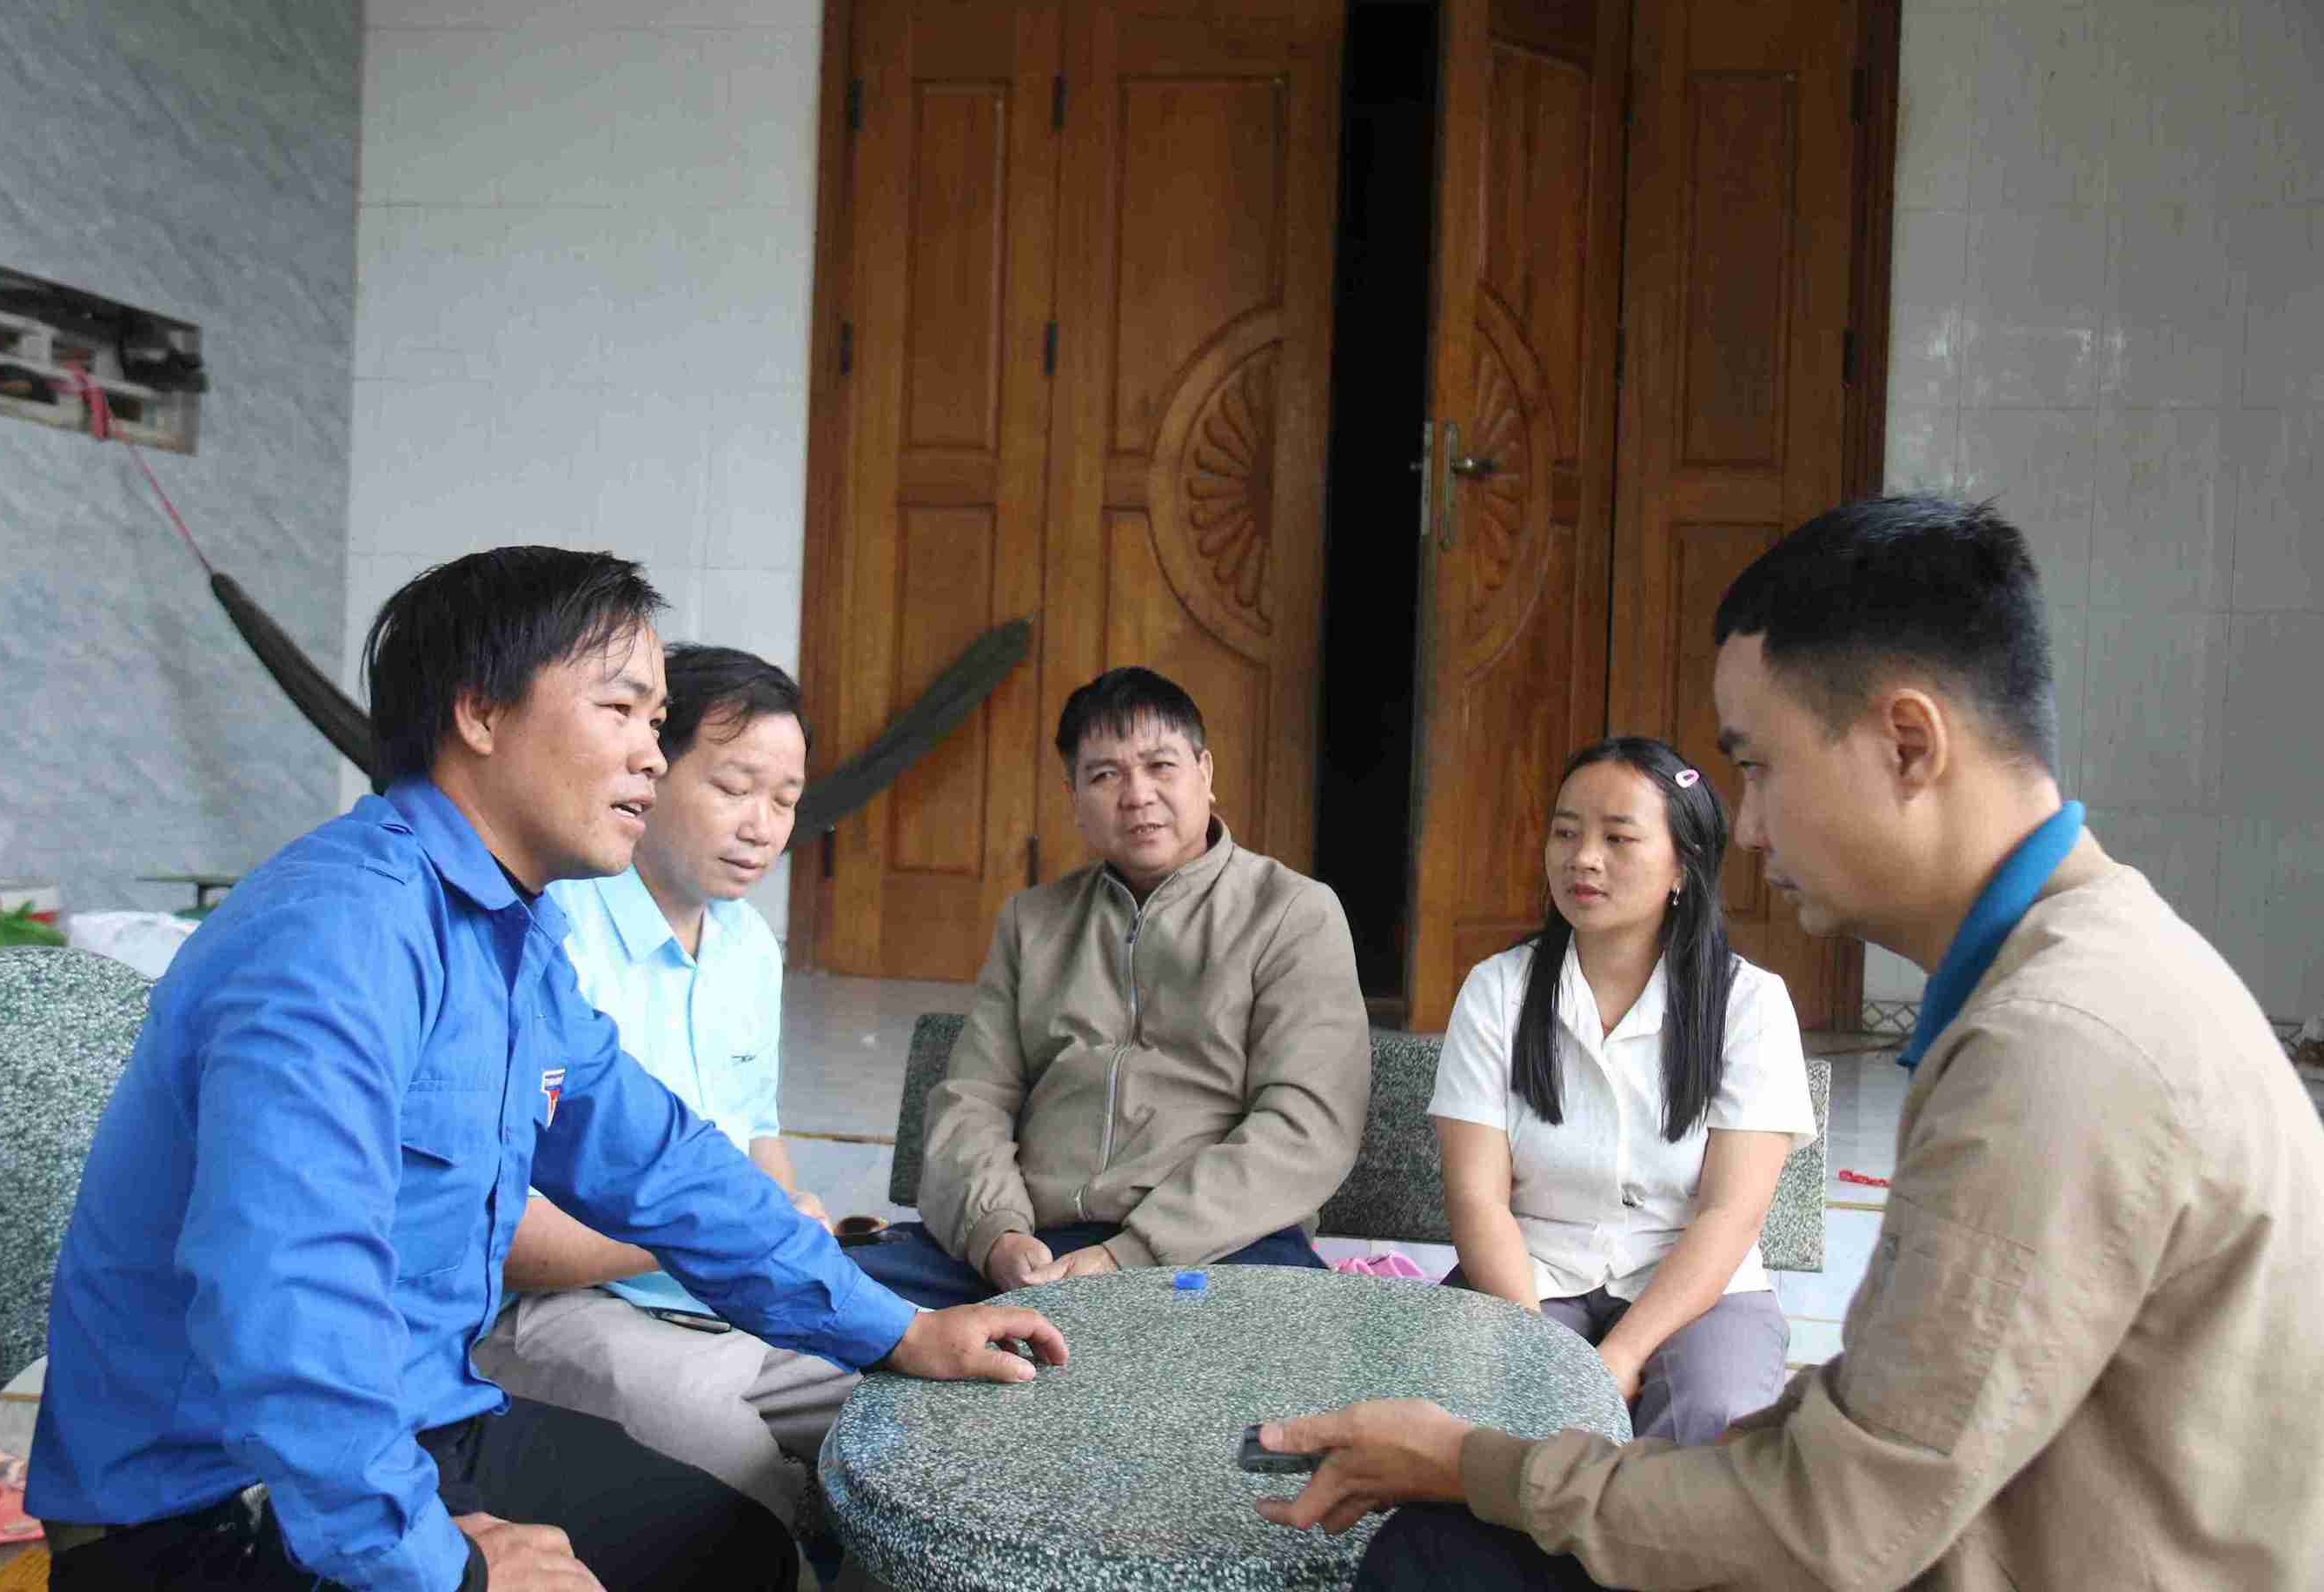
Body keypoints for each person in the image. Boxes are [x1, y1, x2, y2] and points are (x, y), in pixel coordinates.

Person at [1254, 496, 2324, 1589]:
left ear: (1908, 743)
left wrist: (1477, 1462)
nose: (1749, 829)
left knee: (1439, 1555)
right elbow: (1887, 1441)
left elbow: (1833, 1522)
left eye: (1758, 767)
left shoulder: (2055, 1047)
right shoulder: (2093, 964)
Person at [28, 548, 1066, 1592]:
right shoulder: (337, 935)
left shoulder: (507, 937)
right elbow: (290, 1306)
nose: (650, 757)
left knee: (737, 1550)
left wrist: (899, 1328)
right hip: (218, 1501)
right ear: (480, 712)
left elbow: (663, 1164)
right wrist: (452, 1568)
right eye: (620, 708)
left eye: (657, 724)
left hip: (411, 1419)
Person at [469, 646, 850, 1531]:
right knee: (730, 1456)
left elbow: (759, 1130)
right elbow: (510, 1230)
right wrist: (710, 1226)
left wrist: (783, 1207)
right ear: (650, 768)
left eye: (785, 800)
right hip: (556, 1305)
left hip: (720, 1288)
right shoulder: (556, 935)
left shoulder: (749, 945)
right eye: (733, 786)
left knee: (905, 1423)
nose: (760, 823)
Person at [853, 666, 1371, 1308]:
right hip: (1037, 1246)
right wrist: (996, 1234)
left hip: (1216, 1250)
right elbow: (973, 1100)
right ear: (1072, 797)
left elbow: (1306, 1126)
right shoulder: (1034, 922)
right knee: (831, 1306)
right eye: (1104, 775)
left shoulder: (1291, 913)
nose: (1136, 795)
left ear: (1205, 774)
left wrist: (1132, 1254)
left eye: (1160, 766)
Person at [1429, 735, 1813, 1446]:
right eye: (1566, 832)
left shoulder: (1749, 1004)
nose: (1583, 858)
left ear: (1681, 866)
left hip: (1695, 1289)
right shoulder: (1498, 990)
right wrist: (1540, 1351)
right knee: (1482, 1409)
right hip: (1528, 1277)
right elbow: (1476, 1198)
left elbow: (1729, 1216)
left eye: (1618, 837)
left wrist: (1625, 1353)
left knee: (1708, 1418)